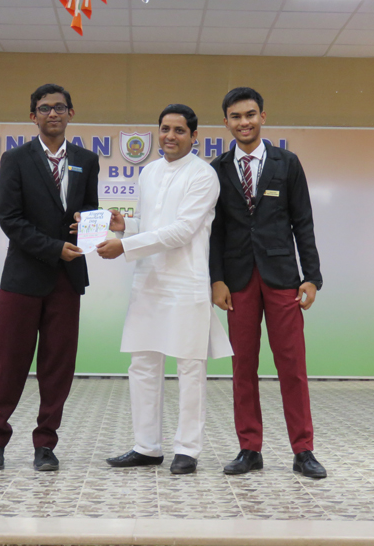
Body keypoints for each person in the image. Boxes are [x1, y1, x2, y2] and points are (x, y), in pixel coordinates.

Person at [97, 104, 233, 475]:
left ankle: (187, 449)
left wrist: (124, 246)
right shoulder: (149, 172)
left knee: (190, 367)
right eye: (164, 129)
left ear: (194, 136)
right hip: (149, 280)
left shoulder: (204, 175)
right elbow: (153, 223)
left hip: (186, 282)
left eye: (179, 130)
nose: (170, 136)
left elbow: (182, 231)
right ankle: (146, 447)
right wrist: (126, 226)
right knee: (142, 364)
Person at [0, 84, 100, 471]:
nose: (53, 114)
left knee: (58, 366)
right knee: (9, 362)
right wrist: (53, 248)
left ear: (71, 113)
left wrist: (88, 224)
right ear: (33, 116)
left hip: (67, 278)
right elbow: (10, 219)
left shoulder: (86, 160)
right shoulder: (16, 159)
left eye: (60, 107)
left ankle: (46, 444)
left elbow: (89, 210)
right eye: (45, 108)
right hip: (23, 277)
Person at [209, 87, 326, 479]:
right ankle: (249, 448)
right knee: (243, 366)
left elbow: (303, 222)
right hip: (238, 280)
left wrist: (312, 277)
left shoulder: (286, 163)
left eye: (250, 114)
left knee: (292, 365)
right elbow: (215, 231)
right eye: (236, 116)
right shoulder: (217, 168)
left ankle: (303, 450)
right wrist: (217, 279)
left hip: (282, 278)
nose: (244, 122)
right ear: (226, 122)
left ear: (262, 116)